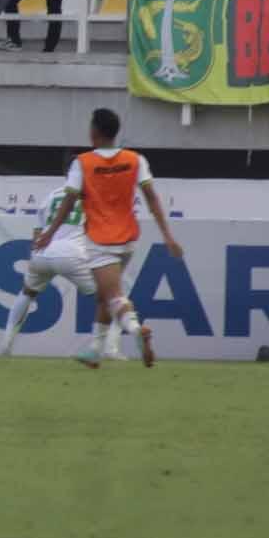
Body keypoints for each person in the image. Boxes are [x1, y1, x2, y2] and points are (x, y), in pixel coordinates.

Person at [34, 108, 183, 369]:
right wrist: (168, 236)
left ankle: (137, 330)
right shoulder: (136, 160)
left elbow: (68, 203)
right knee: (104, 294)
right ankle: (95, 350)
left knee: (113, 296)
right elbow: (152, 198)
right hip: (127, 239)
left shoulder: (83, 163)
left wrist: (49, 232)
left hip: (100, 240)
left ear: (95, 132)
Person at [2, 173, 119, 359]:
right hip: (72, 253)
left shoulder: (51, 196)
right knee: (112, 297)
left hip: (43, 253)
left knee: (27, 292)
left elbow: (37, 233)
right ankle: (111, 350)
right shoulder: (92, 198)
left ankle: (6, 344)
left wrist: (36, 258)